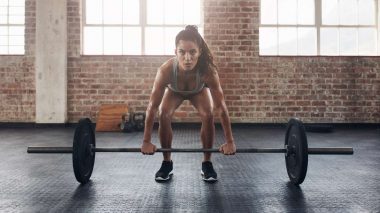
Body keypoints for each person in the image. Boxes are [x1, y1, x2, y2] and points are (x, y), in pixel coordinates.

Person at [141, 25, 236, 182]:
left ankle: (207, 163)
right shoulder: (165, 70)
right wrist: (146, 141)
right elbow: (152, 107)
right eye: (182, 52)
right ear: (175, 52)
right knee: (163, 114)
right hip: (174, 91)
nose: (187, 58)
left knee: (208, 113)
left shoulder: (208, 71)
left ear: (199, 51)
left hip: (198, 91)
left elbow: (221, 107)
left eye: (192, 52)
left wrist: (230, 141)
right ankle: (166, 163)